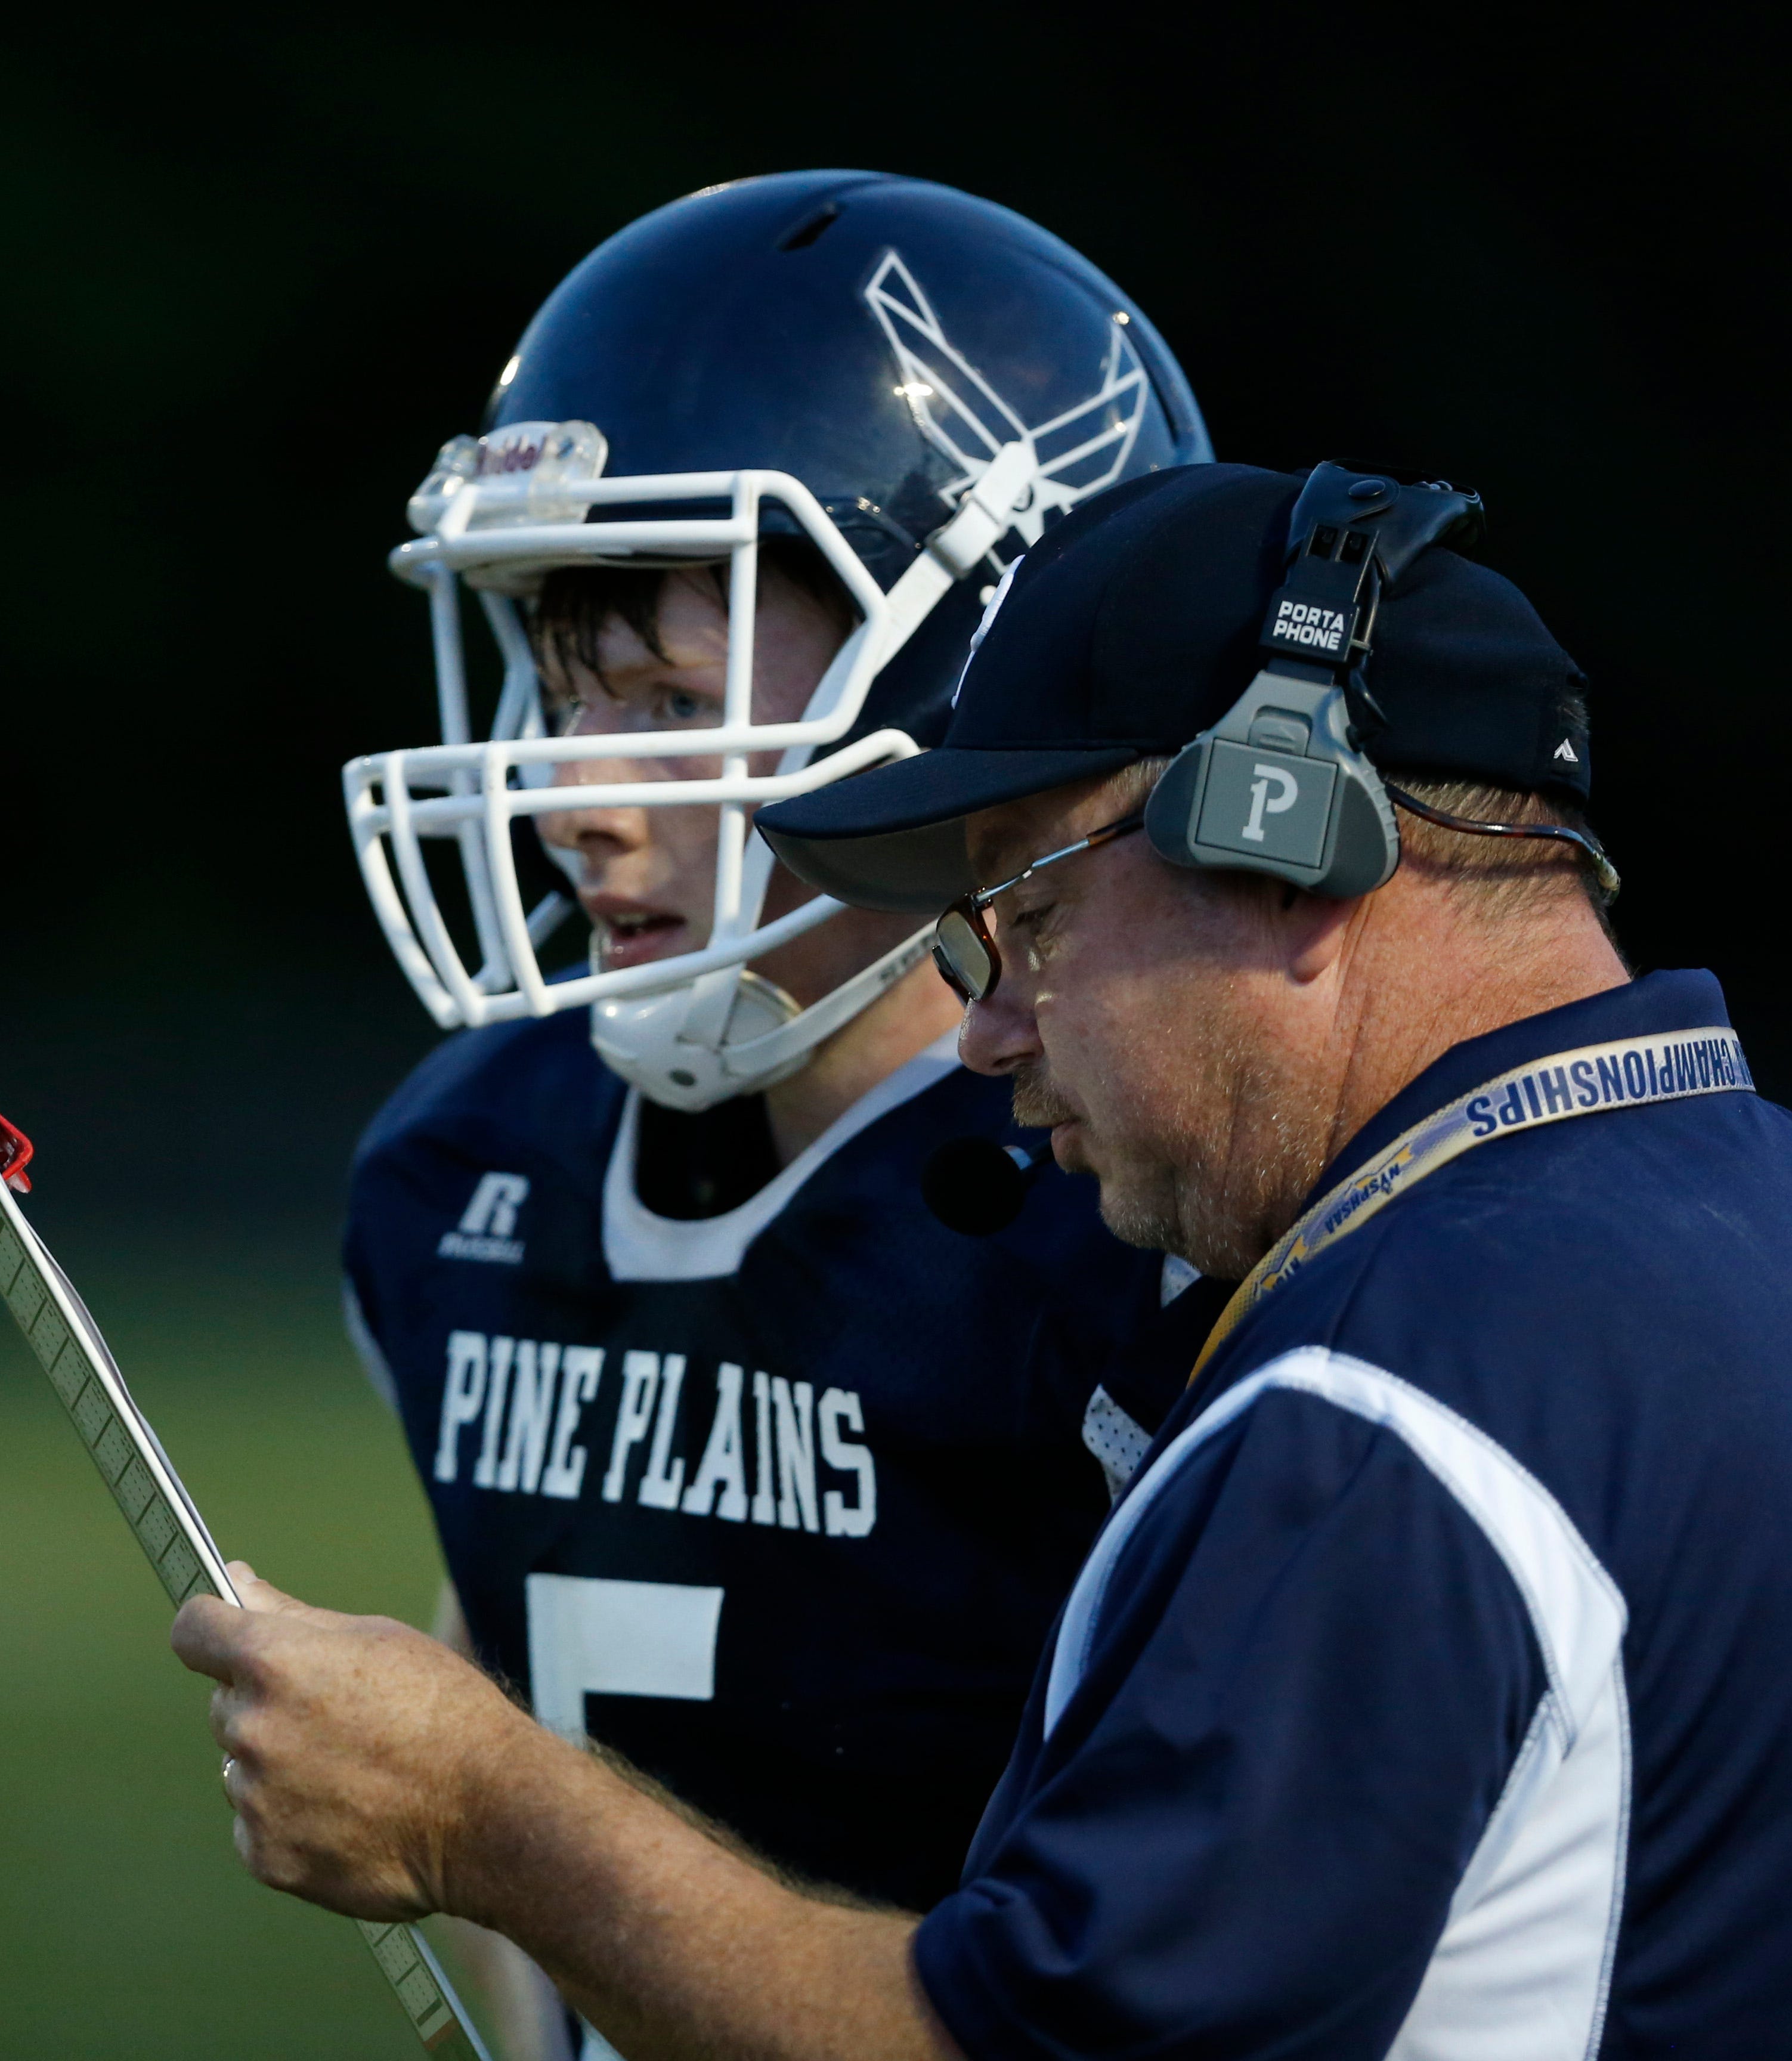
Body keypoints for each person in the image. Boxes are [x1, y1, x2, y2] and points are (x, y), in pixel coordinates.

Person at [185, 461, 1792, 2056]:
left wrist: (486, 1816)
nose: (991, 1031)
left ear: (1283, 845)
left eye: (1020, 913)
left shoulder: (1391, 1404)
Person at [332, 173, 1217, 2053]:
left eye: (667, 696)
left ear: (962, 679)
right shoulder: (459, 1167)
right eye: (559, 693)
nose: (576, 792)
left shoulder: (1136, 1213)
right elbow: (515, 1637)